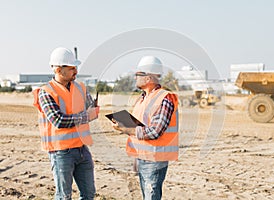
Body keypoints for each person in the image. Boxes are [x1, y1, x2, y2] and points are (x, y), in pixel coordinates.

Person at [33, 47, 99, 200]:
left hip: (82, 148)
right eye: (71, 68)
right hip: (61, 152)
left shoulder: (81, 87)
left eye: (76, 67)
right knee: (64, 196)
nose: (75, 71)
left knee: (89, 194)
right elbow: (59, 120)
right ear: (58, 69)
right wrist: (86, 116)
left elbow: (90, 110)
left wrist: (93, 111)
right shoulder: (46, 92)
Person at [113, 56, 179, 200]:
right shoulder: (142, 98)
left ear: (148, 78)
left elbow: (155, 131)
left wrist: (126, 129)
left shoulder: (164, 98)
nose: (135, 77)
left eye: (138, 74)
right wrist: (124, 125)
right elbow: (140, 126)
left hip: (154, 159)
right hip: (142, 156)